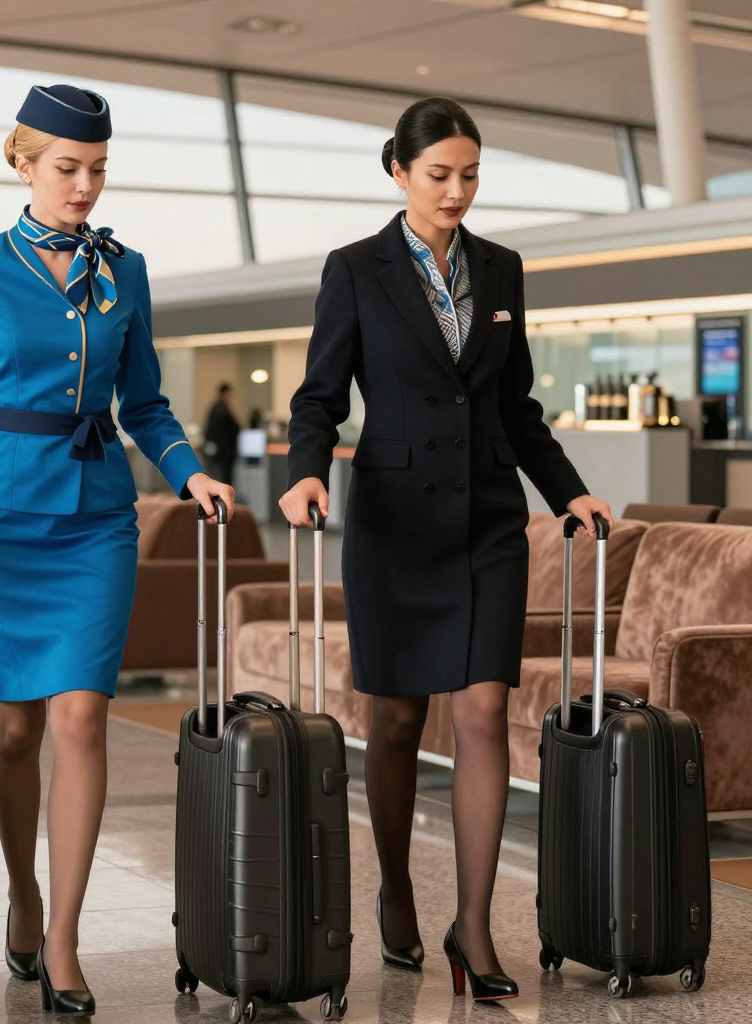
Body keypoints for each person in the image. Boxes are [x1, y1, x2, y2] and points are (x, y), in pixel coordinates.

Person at [0, 83, 233, 1016]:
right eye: (68, 169)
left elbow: (146, 404)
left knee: (81, 717)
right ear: (23, 164)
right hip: (3, 516)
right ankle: (22, 889)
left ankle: (66, 937)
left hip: (97, 518)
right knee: (12, 729)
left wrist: (190, 471)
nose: (86, 186)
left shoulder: (128, 270)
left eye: (98, 170)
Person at [279, 98, 612, 1003]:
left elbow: (517, 406)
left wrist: (568, 489)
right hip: (392, 527)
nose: (457, 191)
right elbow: (318, 400)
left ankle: (473, 926)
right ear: (399, 171)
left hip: (488, 525)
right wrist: (308, 471)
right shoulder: (355, 270)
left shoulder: (502, 270)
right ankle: (394, 886)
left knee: (480, 712)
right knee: (393, 720)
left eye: (470, 174)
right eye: (440, 174)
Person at [203, 382, 241, 485]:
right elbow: (234, 428)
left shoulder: (216, 408)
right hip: (223, 452)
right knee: (222, 478)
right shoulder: (222, 410)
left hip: (219, 451)